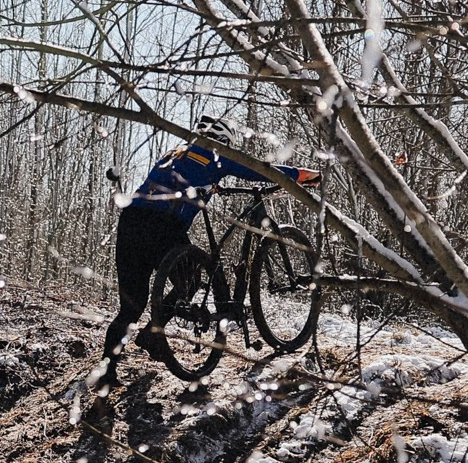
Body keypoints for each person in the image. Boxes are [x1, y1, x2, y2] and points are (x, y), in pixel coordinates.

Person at [101, 132, 314, 377]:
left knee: (131, 305)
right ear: (224, 141)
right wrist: (298, 175)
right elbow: (258, 169)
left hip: (131, 220)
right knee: (190, 281)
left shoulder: (176, 152)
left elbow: (185, 175)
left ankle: (106, 373)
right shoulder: (217, 154)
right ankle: (152, 333)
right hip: (163, 223)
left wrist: (211, 185)